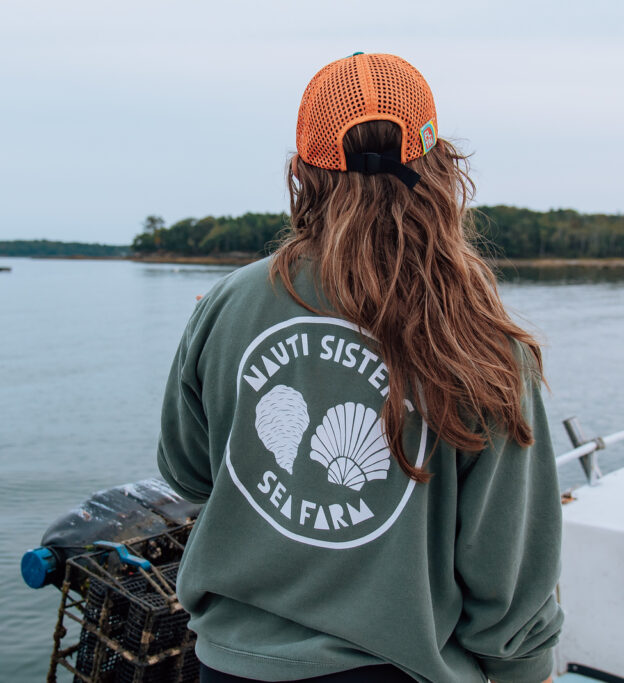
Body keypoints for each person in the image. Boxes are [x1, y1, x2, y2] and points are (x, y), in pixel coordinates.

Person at [156, 53, 563, 683]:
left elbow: (188, 473)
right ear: (440, 164)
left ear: (302, 172)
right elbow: (506, 572)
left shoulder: (225, 307)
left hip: (233, 668)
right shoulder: (481, 340)